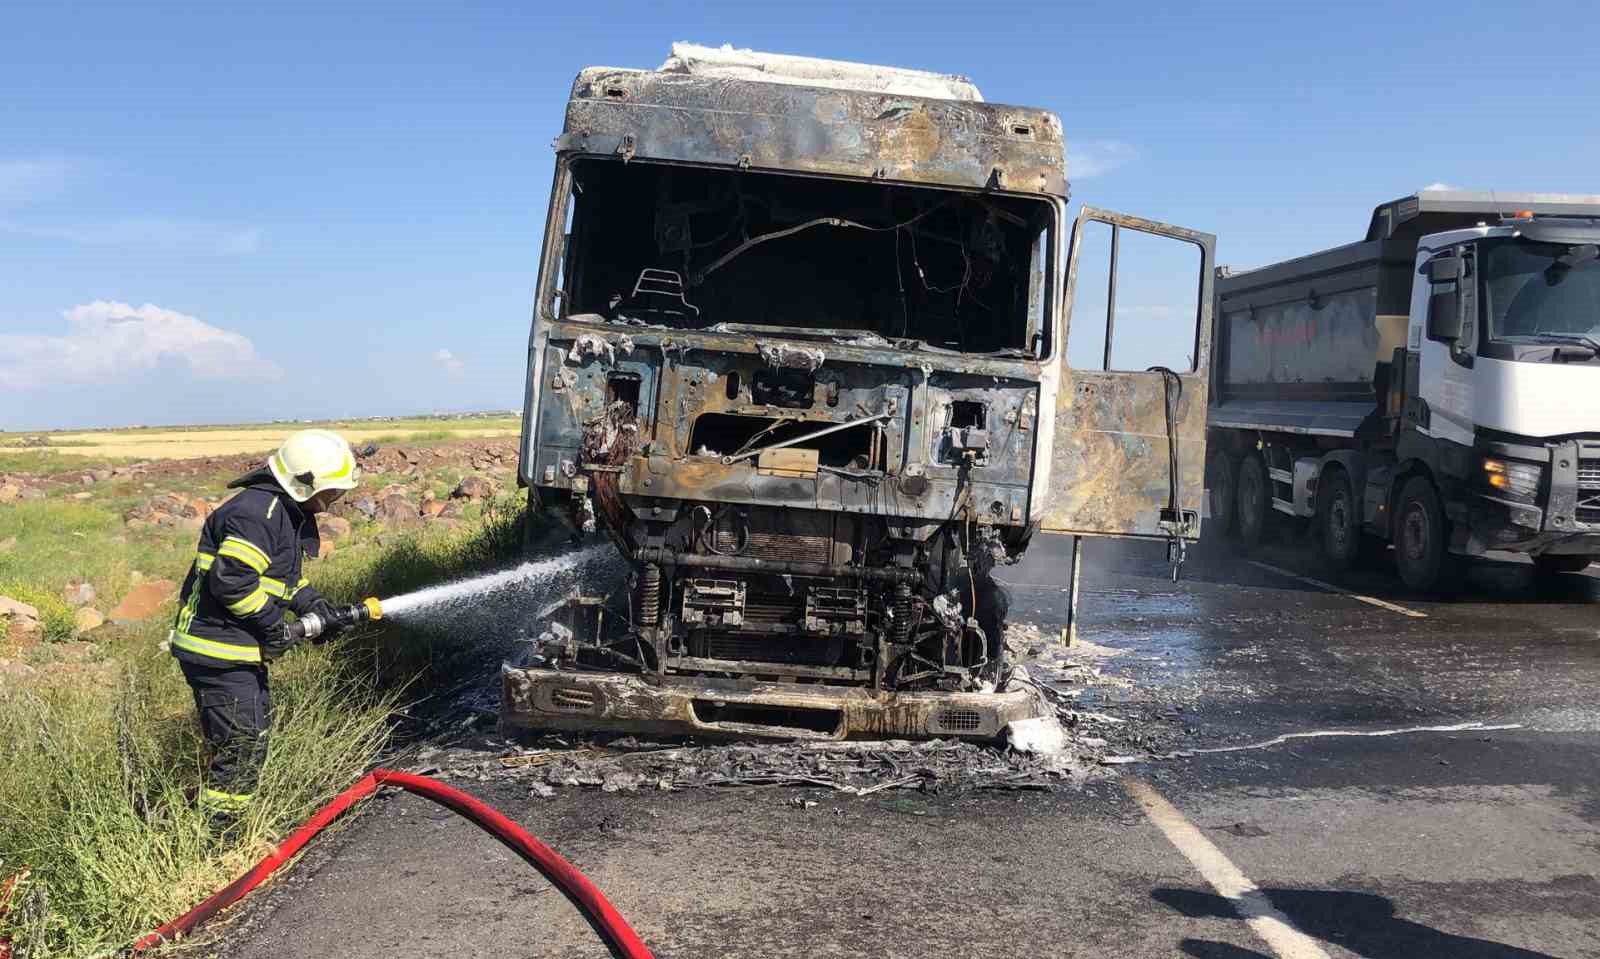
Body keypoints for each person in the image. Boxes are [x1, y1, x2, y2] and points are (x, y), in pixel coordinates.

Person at [168, 429, 360, 826]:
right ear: (305, 483)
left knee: (246, 740)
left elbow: (279, 580)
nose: (334, 501)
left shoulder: (281, 511)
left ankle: (218, 823)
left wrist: (317, 608)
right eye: (333, 491)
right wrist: (276, 629)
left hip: (235, 651)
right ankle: (221, 838)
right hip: (217, 651)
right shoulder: (257, 513)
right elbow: (233, 580)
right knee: (241, 747)